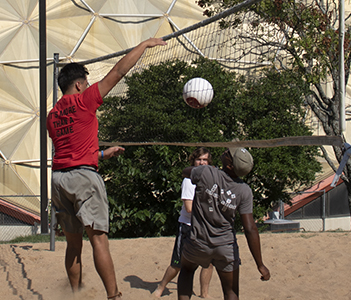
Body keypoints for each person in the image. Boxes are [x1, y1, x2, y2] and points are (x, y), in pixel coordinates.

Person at [47, 37, 167, 300]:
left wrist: (102, 153)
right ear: (79, 85)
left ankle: (76, 294)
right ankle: (113, 295)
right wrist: (144, 45)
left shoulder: (52, 116)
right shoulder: (84, 100)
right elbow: (119, 71)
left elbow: (70, 149)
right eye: (86, 83)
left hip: (58, 180)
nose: (89, 86)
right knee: (98, 240)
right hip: (83, 178)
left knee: (73, 244)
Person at [178, 147, 270, 300]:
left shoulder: (206, 172)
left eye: (229, 154)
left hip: (199, 241)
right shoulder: (244, 190)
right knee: (231, 292)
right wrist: (260, 264)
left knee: (187, 270)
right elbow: (250, 228)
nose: (226, 151)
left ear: (229, 165)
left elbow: (185, 171)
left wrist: (203, 169)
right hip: (225, 246)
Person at [152, 148, 214, 298]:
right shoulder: (188, 181)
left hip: (205, 227)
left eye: (205, 160)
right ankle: (160, 287)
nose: (201, 162)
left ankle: (204, 294)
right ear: (193, 161)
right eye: (199, 159)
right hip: (188, 226)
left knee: (209, 262)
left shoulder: (210, 180)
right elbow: (189, 208)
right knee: (178, 263)